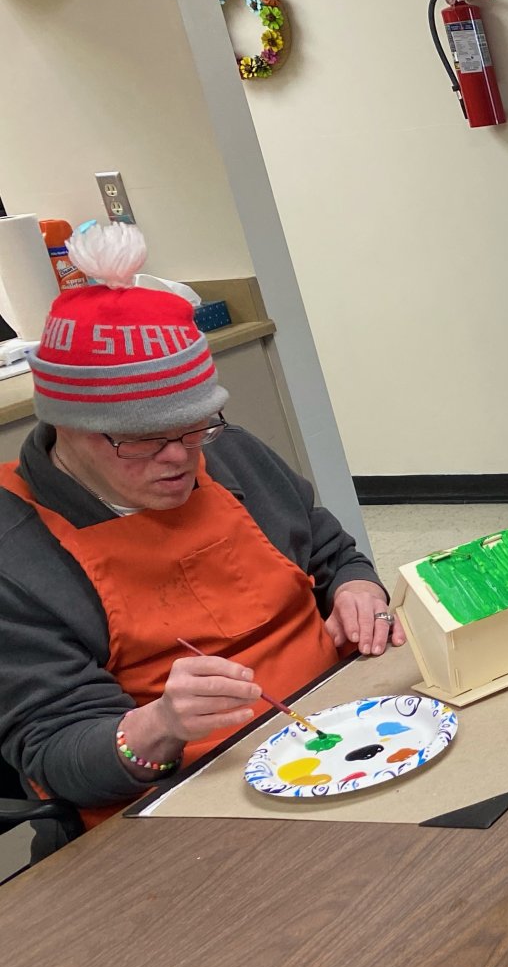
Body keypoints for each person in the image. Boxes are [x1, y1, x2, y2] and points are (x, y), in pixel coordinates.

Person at [0, 224, 400, 845]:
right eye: (144, 440)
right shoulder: (16, 550)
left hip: (339, 730)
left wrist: (356, 588)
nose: (180, 458)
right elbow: (58, 755)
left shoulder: (228, 452)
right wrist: (161, 724)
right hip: (180, 810)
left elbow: (331, 550)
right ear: (68, 427)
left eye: (196, 427)